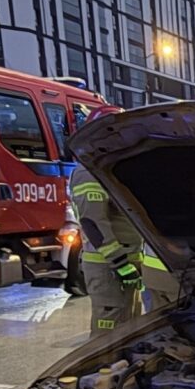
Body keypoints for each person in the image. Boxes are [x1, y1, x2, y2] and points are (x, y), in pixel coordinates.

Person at [69, 107, 176, 336]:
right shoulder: (89, 172)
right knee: (108, 330)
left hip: (126, 262)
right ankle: (101, 369)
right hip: (107, 266)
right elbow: (93, 223)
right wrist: (120, 264)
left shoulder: (112, 169)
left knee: (128, 328)